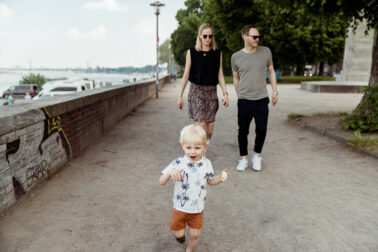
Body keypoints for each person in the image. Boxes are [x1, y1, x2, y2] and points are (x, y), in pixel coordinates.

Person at [159, 124, 229, 252]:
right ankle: (180, 236)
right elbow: (161, 181)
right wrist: (169, 174)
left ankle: (189, 250)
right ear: (182, 146)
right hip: (180, 207)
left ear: (205, 147)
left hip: (197, 208)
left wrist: (219, 178)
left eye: (197, 148)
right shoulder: (177, 163)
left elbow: (210, 181)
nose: (192, 151)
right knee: (179, 233)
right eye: (188, 147)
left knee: (195, 234)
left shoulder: (207, 163)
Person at [231, 24, 278, 172]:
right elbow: (236, 78)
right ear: (245, 37)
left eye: (258, 36)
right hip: (244, 100)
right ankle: (243, 159)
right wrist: (240, 95)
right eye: (254, 36)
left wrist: (275, 92)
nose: (258, 39)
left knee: (262, 129)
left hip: (261, 99)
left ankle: (257, 156)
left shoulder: (266, 52)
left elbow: (271, 72)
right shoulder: (236, 57)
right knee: (243, 131)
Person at [178, 23, 229, 140]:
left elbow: (220, 74)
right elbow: (186, 75)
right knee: (201, 127)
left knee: (209, 131)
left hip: (211, 92)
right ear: (200, 36)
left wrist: (225, 93)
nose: (208, 39)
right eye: (205, 36)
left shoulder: (217, 53)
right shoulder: (191, 52)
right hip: (196, 91)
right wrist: (180, 95)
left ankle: (202, 149)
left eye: (210, 36)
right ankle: (200, 155)